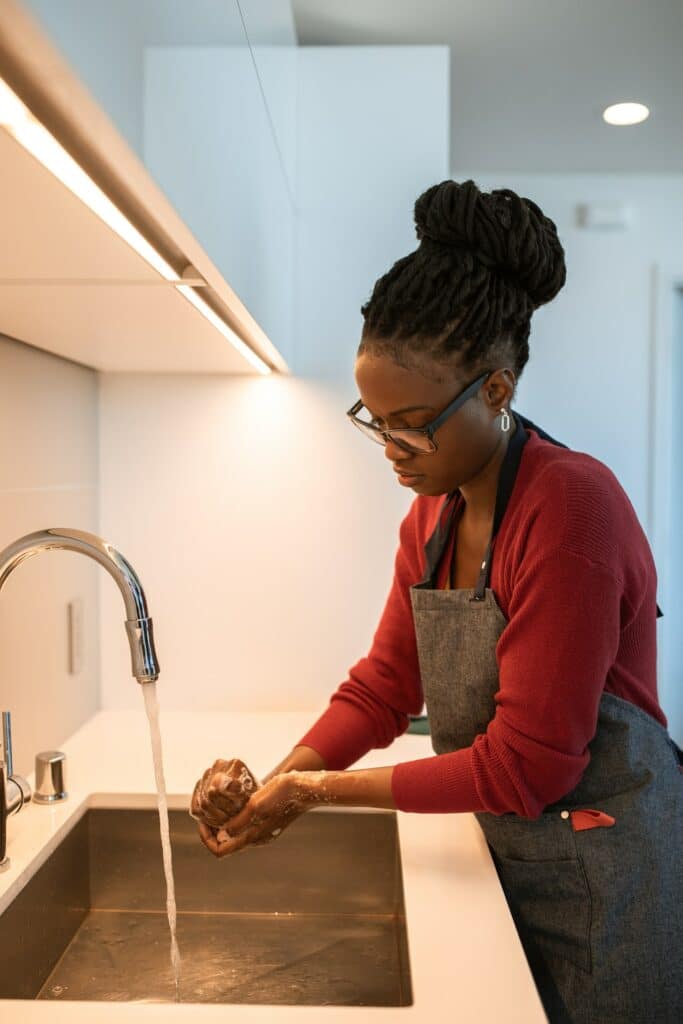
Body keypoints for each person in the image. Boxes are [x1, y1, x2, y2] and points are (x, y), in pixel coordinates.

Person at [190, 178, 683, 1023]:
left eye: (411, 422)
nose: (391, 448)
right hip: (511, 853)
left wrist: (315, 796)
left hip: (608, 872)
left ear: (496, 390)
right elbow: (385, 685)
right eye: (375, 420)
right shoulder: (432, 511)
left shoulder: (570, 510)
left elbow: (530, 765)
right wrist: (279, 783)